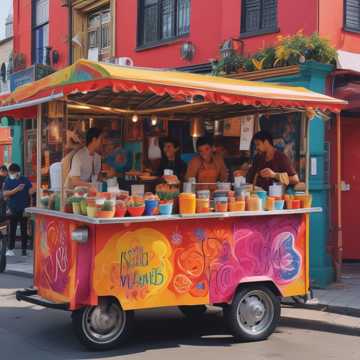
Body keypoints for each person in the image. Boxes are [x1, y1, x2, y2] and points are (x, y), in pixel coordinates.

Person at [3, 163, 33, 256]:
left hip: (23, 208)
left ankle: (24, 250)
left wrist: (29, 207)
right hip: (12, 209)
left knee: (24, 230)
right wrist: (16, 189)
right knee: (12, 229)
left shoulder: (25, 179)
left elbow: (30, 193)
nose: (11, 174)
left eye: (13, 172)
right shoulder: (8, 180)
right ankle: (10, 248)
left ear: (17, 172)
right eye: (10, 172)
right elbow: (5, 194)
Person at [67, 127, 104, 192]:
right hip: (75, 193)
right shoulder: (79, 156)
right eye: (101, 140)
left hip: (90, 192)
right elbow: (75, 181)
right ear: (94, 140)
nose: (102, 143)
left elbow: (98, 177)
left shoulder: (97, 157)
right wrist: (91, 185)